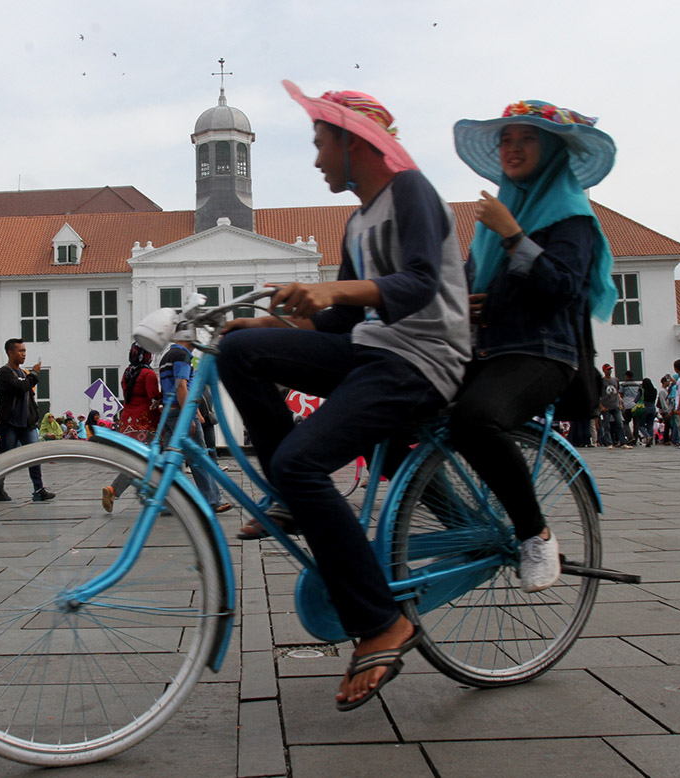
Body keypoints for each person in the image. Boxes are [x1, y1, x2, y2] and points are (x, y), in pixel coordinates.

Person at [218, 81, 470, 711]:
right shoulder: (357, 221)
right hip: (371, 352)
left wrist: (332, 293)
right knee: (238, 352)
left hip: (421, 359)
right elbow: (335, 323)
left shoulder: (410, 191)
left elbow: (414, 286)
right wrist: (270, 327)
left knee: (302, 460)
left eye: (319, 142)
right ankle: (295, 497)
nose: (316, 159)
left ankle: (382, 621)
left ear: (355, 143)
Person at [449, 97, 618, 592]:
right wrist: (465, 299)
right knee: (391, 402)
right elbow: (468, 281)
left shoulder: (571, 218)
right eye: (506, 138)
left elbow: (563, 288)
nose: (513, 148)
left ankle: (535, 534)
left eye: (527, 139)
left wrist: (513, 235)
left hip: (544, 354)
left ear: (551, 151)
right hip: (487, 350)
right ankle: (452, 517)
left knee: (474, 418)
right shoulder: (499, 214)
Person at [159, 325, 232, 514]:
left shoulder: (166, 356)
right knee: (199, 457)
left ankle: (167, 503)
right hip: (180, 412)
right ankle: (212, 500)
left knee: (171, 460)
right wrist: (189, 416)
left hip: (168, 412)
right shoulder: (182, 356)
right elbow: (182, 387)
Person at [0, 338, 55, 502]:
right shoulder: (4, 372)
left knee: (34, 456)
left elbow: (29, 394)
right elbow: (20, 388)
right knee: (6, 458)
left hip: (27, 423)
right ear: (10, 352)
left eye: (25, 351)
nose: (24, 354)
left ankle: (39, 489)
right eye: (20, 351)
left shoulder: (23, 373)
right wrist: (34, 374)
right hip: (10, 423)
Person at [102, 342, 162, 512]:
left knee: (137, 459)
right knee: (148, 460)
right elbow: (154, 397)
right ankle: (118, 490)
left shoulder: (127, 373)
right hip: (146, 422)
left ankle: (145, 493)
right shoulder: (148, 374)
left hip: (128, 421)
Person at [636, 377, 657, 447]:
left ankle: (647, 436)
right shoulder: (654, 390)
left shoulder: (642, 391)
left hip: (644, 408)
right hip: (653, 408)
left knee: (641, 425)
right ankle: (650, 440)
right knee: (650, 425)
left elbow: (636, 399)